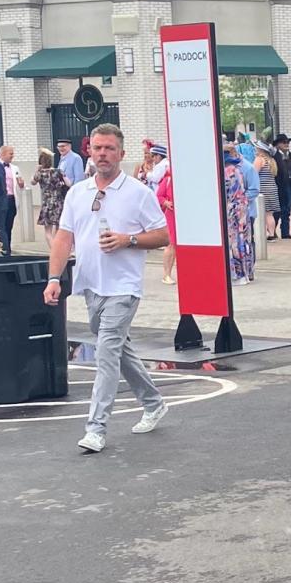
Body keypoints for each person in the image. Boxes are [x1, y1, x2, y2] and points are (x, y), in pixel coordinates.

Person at [42, 123, 169, 453]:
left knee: (107, 352)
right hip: (91, 286)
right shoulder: (78, 192)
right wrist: (54, 279)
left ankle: (96, 428)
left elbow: (163, 235)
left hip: (124, 287)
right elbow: (63, 239)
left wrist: (128, 240)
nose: (102, 153)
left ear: (121, 154)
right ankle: (154, 402)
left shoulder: (138, 193)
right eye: (97, 148)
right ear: (90, 152)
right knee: (118, 349)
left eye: (109, 148)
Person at [223, 147, 255, 282]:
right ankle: (247, 271)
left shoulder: (226, 172)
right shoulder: (238, 170)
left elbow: (225, 192)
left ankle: (237, 273)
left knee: (234, 241)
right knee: (244, 239)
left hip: (232, 208)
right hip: (242, 208)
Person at [32, 147, 68, 242]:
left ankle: (53, 251)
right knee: (58, 228)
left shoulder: (40, 173)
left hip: (47, 203)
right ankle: (58, 249)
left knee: (48, 231)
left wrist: (37, 170)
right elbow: (69, 183)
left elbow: (32, 182)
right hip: (59, 202)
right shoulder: (58, 171)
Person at [155, 155, 177, 283]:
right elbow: (158, 196)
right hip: (171, 214)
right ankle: (167, 274)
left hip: (185, 216)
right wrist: (166, 203)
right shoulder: (168, 180)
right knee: (171, 243)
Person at [273, 134, 291, 237]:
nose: (286, 144)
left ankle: (285, 233)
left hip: (289, 185)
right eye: (284, 142)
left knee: (287, 210)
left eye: (287, 142)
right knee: (278, 210)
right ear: (278, 145)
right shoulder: (275, 157)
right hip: (278, 186)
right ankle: (272, 230)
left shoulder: (290, 155)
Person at [255, 146, 281, 240]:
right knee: (269, 214)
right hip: (272, 188)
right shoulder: (271, 161)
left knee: (262, 213)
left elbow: (254, 173)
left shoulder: (259, 159)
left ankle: (264, 234)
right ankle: (272, 234)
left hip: (262, 189)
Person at [0, 145, 20, 255]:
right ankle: (3, 248)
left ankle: (8, 248)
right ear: (2, 154)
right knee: (1, 225)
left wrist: (21, 184)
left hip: (12, 199)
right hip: (2, 199)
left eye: (12, 153)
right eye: (10, 153)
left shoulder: (15, 168)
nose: (12, 155)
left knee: (9, 225)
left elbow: (19, 184)